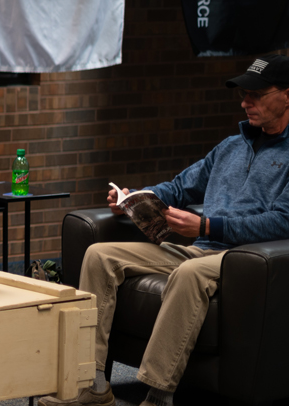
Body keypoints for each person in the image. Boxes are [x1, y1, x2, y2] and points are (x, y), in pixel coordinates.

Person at [41, 55, 289, 406]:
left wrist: (205, 224)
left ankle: (158, 395)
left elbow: (282, 222)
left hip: (243, 258)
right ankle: (92, 385)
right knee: (99, 255)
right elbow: (181, 186)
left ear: (287, 95)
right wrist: (137, 197)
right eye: (243, 95)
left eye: (256, 94)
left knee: (190, 272)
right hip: (198, 249)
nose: (246, 102)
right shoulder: (231, 147)